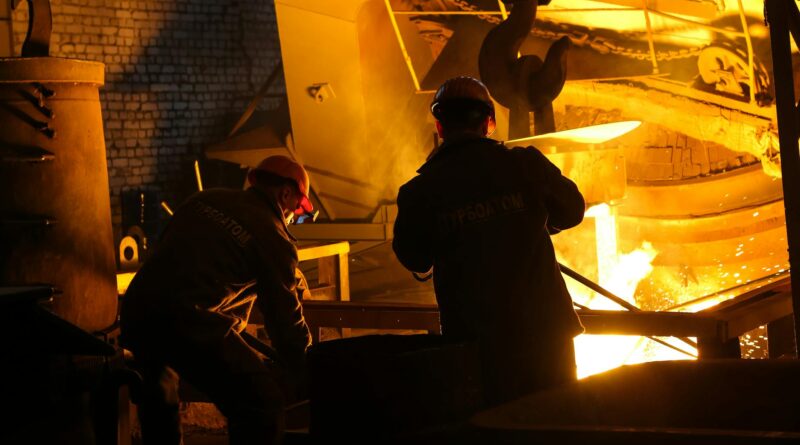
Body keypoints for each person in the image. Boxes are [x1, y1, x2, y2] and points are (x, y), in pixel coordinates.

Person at [392, 76, 586, 407]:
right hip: (546, 339)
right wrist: (530, 221)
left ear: (440, 126)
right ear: (489, 122)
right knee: (556, 424)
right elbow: (572, 210)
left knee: (493, 429)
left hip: (477, 346)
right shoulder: (525, 164)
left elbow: (414, 257)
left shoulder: (420, 192)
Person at [120, 155, 314, 445]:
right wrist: (307, 365)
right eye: (296, 210)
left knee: (161, 397)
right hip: (189, 323)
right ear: (284, 193)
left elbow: (188, 261)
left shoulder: (206, 199)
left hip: (139, 310)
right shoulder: (274, 236)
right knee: (262, 403)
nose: (292, 218)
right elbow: (284, 320)